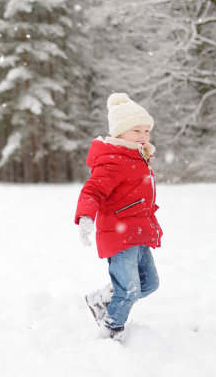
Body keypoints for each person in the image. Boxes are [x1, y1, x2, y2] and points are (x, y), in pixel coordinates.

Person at [75, 92, 162, 341]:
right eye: (137, 131)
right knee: (129, 289)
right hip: (119, 233)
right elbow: (92, 190)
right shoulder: (113, 160)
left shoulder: (139, 156)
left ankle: (99, 299)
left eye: (146, 130)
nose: (143, 136)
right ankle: (110, 333)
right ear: (119, 132)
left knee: (149, 283)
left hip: (138, 232)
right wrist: (85, 217)